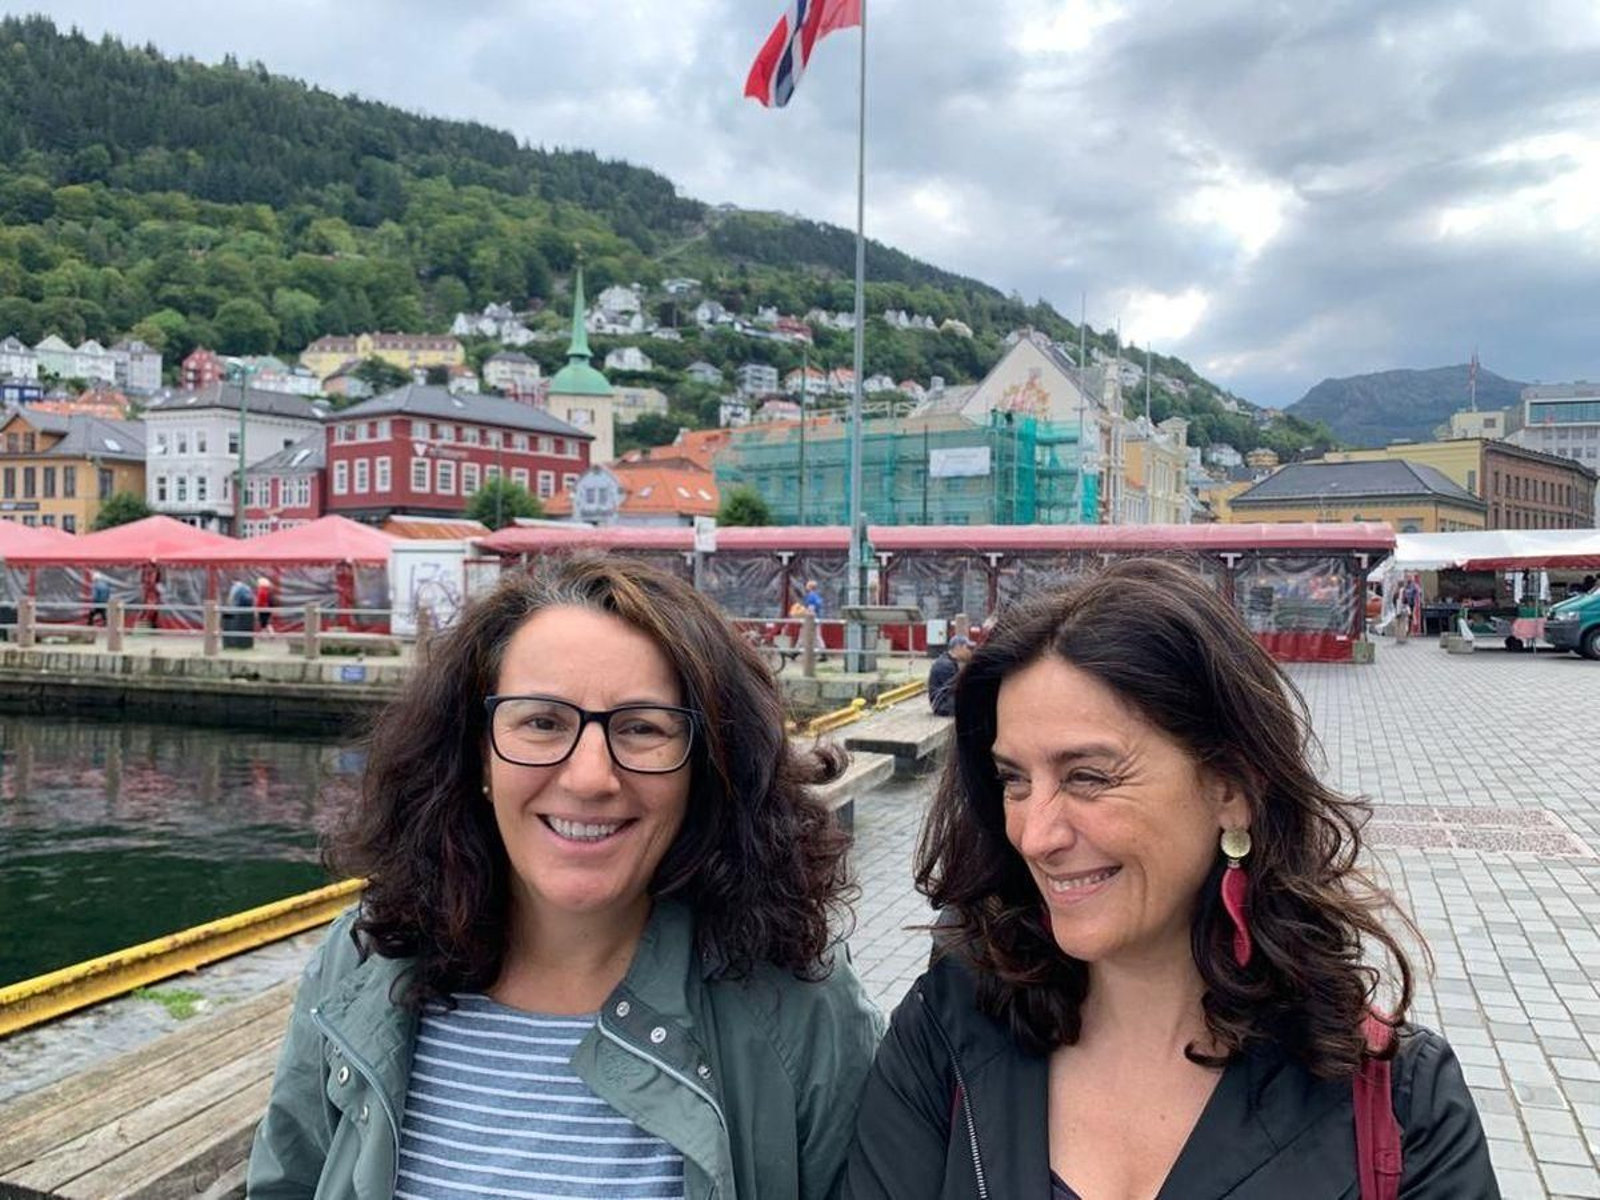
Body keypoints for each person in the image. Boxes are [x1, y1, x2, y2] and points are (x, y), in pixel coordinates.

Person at [844, 559, 1496, 1199]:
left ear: (1233, 788)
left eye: (1088, 776)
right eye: (1014, 779)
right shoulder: (946, 1032)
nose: (1036, 836)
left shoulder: (1402, 1102)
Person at [249, 556, 881, 1199]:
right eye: (542, 722)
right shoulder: (363, 962)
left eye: (641, 728)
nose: (589, 778)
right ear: (478, 753)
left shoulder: (800, 1011)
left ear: (708, 766)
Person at [926, 634, 972, 716]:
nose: (970, 651)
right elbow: (957, 689)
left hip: (944, 702)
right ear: (958, 647)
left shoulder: (948, 661)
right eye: (967, 648)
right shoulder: (945, 665)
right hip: (942, 705)